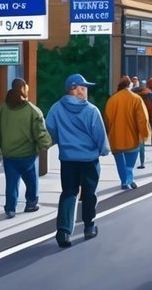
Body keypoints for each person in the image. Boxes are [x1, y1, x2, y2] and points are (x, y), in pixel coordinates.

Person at [45, 74, 110, 247]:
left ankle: (64, 231)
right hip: (89, 159)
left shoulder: (56, 109)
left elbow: (50, 129)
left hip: (68, 159)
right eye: (83, 87)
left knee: (69, 192)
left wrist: (63, 141)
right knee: (89, 193)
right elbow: (100, 135)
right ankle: (89, 226)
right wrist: (103, 151)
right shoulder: (91, 110)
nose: (86, 90)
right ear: (75, 88)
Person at [0, 79, 52, 218]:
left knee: (11, 183)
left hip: (9, 156)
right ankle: (31, 203)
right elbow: (40, 132)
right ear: (23, 90)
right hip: (28, 155)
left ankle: (10, 209)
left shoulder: (0, 111)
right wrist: (45, 144)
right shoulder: (33, 111)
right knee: (32, 181)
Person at [104, 77, 151, 191]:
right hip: (132, 138)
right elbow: (142, 119)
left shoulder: (112, 100)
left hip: (116, 139)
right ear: (129, 86)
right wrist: (144, 135)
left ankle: (125, 181)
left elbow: (107, 120)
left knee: (120, 163)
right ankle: (128, 180)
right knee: (129, 164)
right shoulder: (136, 99)